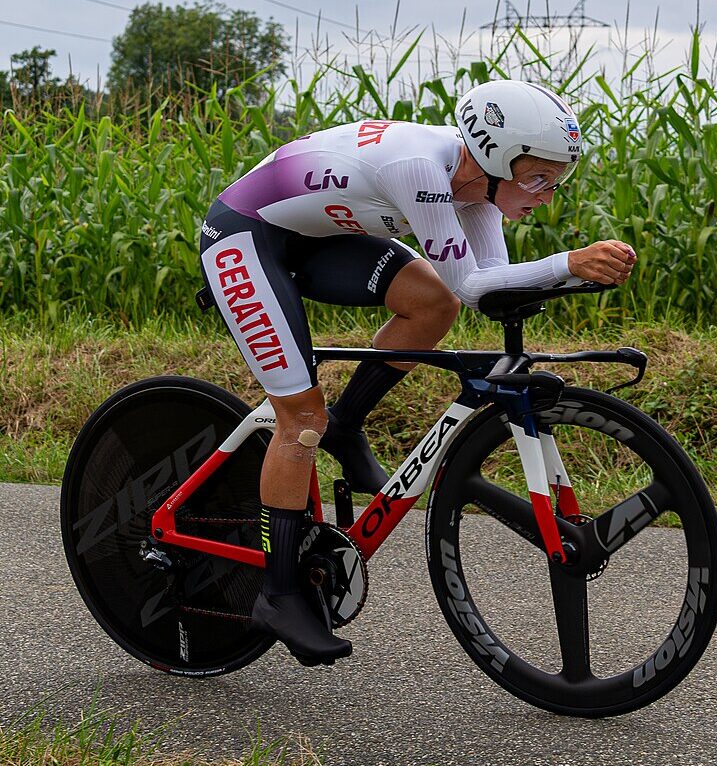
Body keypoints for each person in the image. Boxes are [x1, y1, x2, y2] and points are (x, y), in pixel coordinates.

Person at [198, 79, 636, 667]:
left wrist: (570, 277)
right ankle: (277, 593)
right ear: (495, 158)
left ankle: (346, 425)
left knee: (434, 305)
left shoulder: (477, 191)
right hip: (244, 235)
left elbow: (489, 285)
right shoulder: (420, 168)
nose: (547, 196)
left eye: (557, 182)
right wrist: (568, 263)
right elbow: (475, 282)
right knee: (300, 415)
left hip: (317, 237)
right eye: (538, 179)